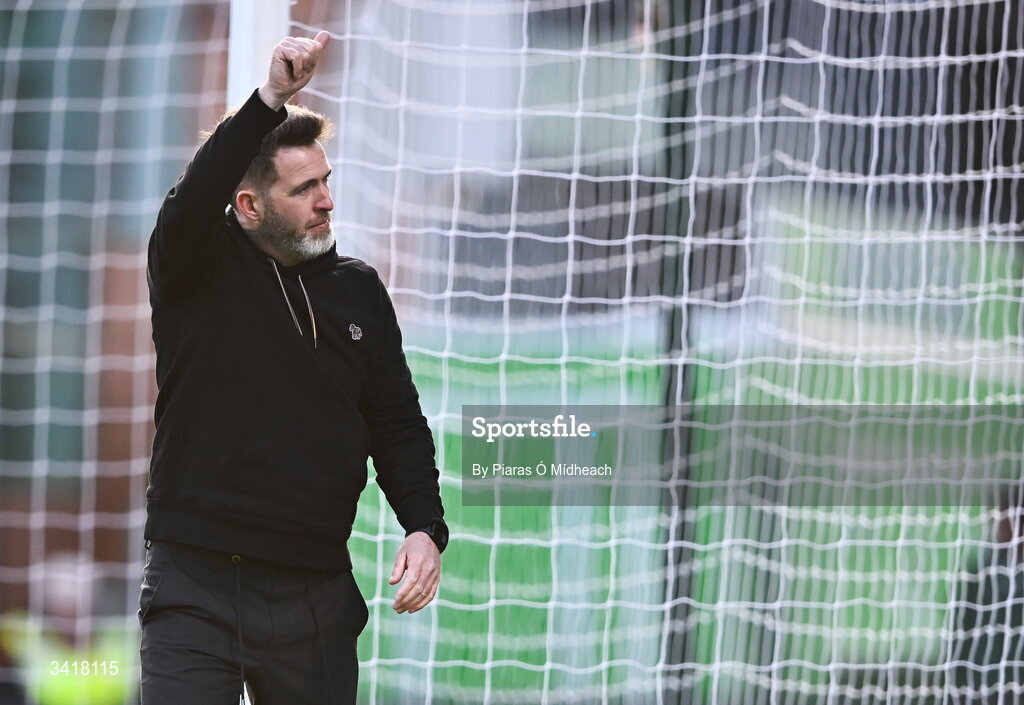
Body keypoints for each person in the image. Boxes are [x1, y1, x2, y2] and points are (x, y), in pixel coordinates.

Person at [140, 32, 448, 705]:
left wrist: (425, 526)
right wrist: (269, 99)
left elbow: (396, 422)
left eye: (325, 181)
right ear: (249, 206)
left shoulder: (359, 290)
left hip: (315, 589)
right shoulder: (193, 266)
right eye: (305, 188)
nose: (327, 200)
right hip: (196, 584)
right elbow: (193, 201)